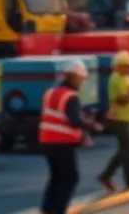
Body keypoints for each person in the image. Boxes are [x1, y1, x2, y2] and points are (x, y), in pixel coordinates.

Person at [39, 60, 93, 214]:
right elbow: (74, 120)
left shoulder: (49, 93)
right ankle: (58, 210)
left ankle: (46, 209)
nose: (81, 83)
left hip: (47, 141)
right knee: (70, 178)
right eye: (81, 79)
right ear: (73, 77)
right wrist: (91, 126)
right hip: (63, 142)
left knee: (56, 177)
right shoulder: (71, 96)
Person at [97, 51, 129, 192]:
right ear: (120, 66)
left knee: (126, 149)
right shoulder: (115, 79)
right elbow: (122, 100)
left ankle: (113, 176)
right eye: (128, 66)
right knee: (128, 148)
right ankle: (124, 177)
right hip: (120, 118)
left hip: (127, 118)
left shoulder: (125, 78)